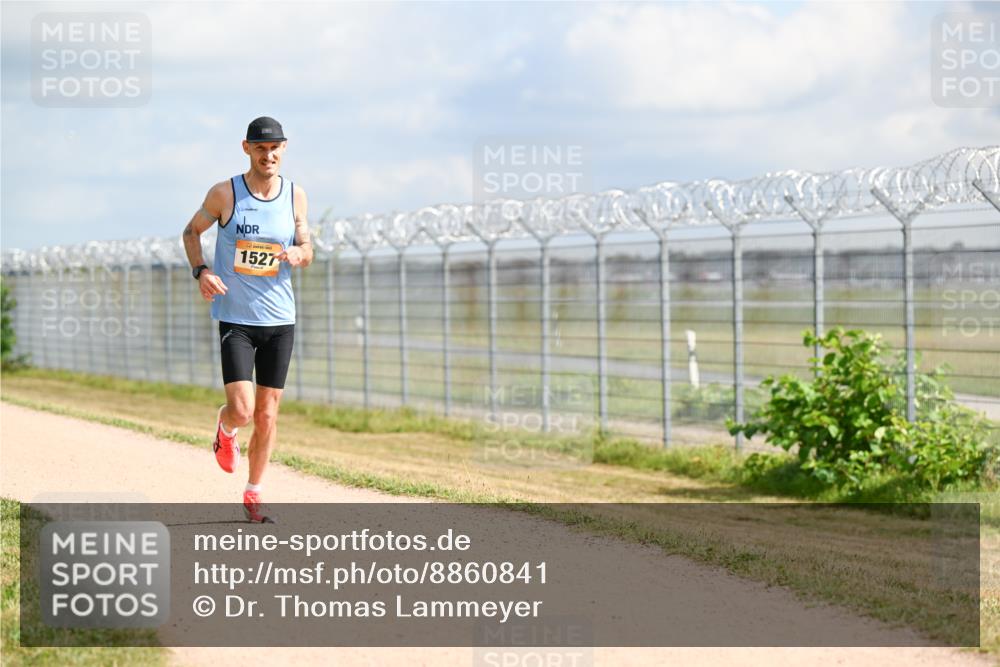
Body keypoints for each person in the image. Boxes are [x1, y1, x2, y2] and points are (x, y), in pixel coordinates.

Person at [181, 116, 313, 523]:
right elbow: (191, 232)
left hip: (280, 320)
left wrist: (298, 254)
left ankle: (254, 493)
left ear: (284, 149)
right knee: (242, 410)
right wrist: (202, 272)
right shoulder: (225, 194)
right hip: (237, 320)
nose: (268, 155)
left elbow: (307, 246)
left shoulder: (295, 196)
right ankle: (225, 429)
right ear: (246, 148)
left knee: (268, 414)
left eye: (275, 149)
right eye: (260, 149)